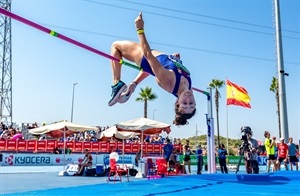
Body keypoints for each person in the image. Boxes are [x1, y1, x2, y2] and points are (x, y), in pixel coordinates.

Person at [107, 12, 196, 126]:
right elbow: (158, 69)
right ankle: (133, 84)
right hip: (155, 60)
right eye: (191, 103)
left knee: (115, 46)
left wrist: (140, 29)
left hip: (144, 55)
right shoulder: (188, 87)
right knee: (153, 68)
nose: (188, 100)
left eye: (184, 103)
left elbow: (148, 55)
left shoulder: (170, 82)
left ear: (177, 102)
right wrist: (176, 60)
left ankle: (116, 84)